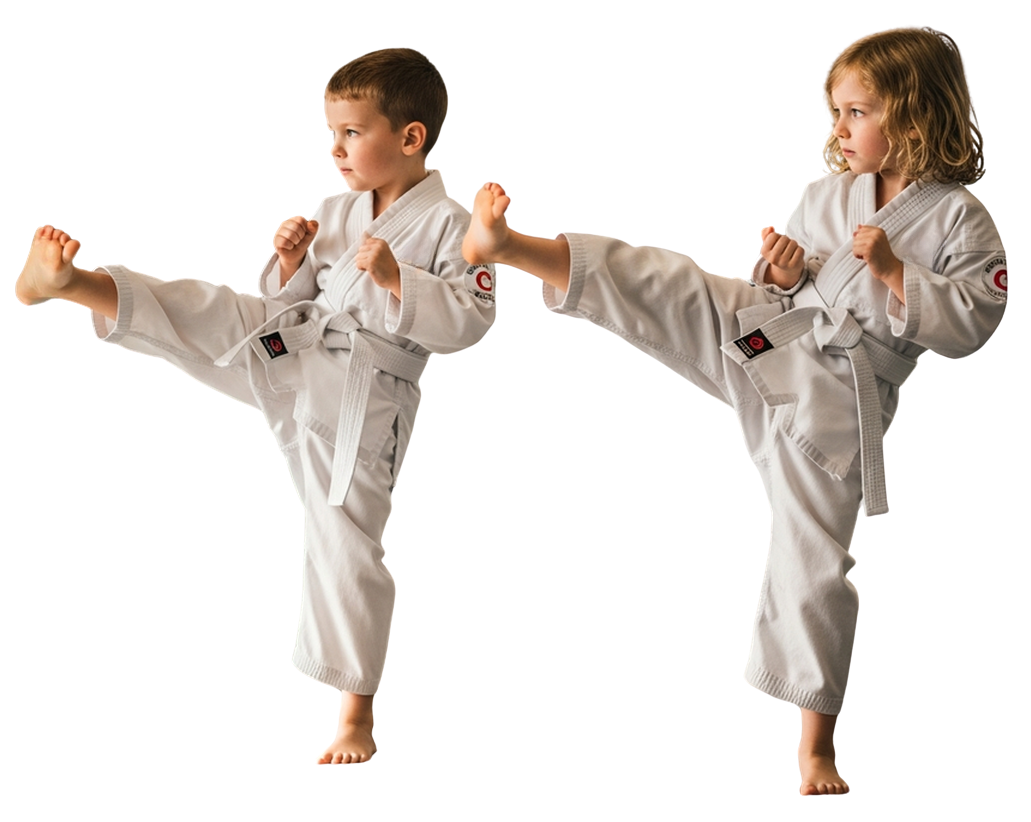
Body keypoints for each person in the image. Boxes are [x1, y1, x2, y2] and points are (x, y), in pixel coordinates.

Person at [461, 26, 1005, 795]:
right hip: (770, 332)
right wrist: (779, 269)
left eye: (855, 113)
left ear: (915, 116)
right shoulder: (825, 193)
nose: (838, 131)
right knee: (669, 280)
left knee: (810, 551)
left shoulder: (960, 221)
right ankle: (511, 246)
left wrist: (890, 270)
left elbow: (972, 322)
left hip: (839, 395)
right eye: (834, 114)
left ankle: (814, 742)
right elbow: (790, 281)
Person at [16, 47, 496, 765]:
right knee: (210, 310)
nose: (334, 150)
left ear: (410, 136)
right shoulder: (337, 209)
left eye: (350, 134)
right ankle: (70, 284)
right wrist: (292, 258)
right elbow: (284, 303)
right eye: (329, 134)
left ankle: (354, 716)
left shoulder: (454, 226)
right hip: (295, 347)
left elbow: (468, 323)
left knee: (341, 531)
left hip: (362, 392)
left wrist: (398, 280)